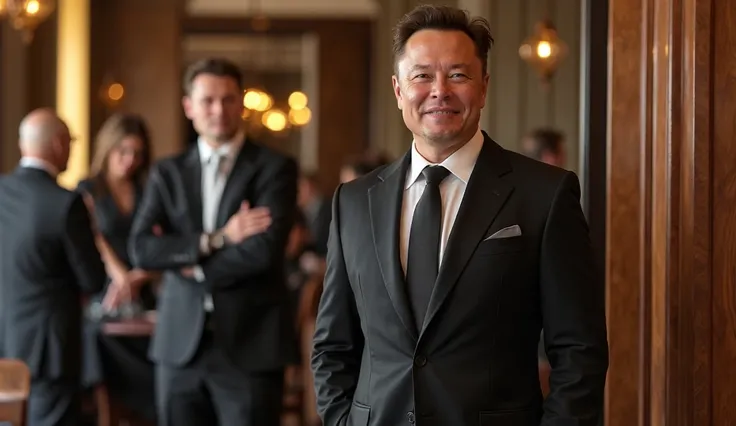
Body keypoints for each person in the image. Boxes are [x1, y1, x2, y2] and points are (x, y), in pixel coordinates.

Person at [311, 5, 609, 426]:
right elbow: (332, 345)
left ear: (483, 86)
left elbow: (579, 348)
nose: (439, 91)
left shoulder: (544, 194)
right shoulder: (354, 201)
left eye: (457, 75)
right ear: (398, 90)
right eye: (422, 76)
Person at [128, 58, 298, 426]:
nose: (218, 110)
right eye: (207, 101)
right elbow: (141, 249)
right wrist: (219, 239)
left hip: (250, 343)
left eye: (228, 99)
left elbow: (263, 252)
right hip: (179, 345)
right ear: (189, 106)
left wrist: (192, 264)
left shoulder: (274, 168)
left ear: (242, 103)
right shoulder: (167, 172)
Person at [0, 108, 106, 426]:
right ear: (60, 143)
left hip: (5, 342)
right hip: (49, 352)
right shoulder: (66, 203)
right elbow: (92, 280)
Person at [76, 113, 157, 421]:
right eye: (122, 151)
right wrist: (120, 276)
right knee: (100, 342)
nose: (130, 160)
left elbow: (160, 241)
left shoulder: (148, 189)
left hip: (144, 290)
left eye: (137, 153)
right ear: (108, 148)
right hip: (103, 292)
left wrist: (137, 277)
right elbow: (94, 237)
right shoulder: (88, 189)